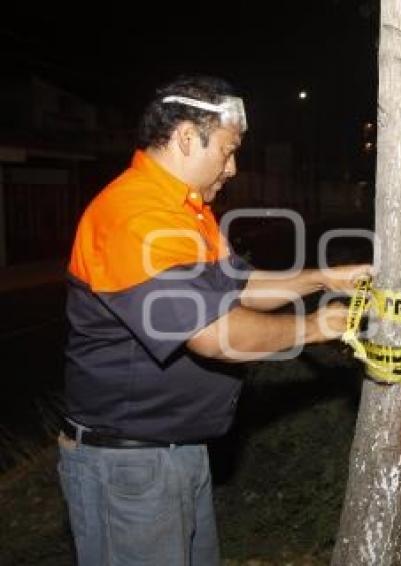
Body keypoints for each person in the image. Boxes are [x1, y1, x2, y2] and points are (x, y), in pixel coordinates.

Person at [57, 75, 370, 565]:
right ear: (186, 138)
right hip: (128, 465)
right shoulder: (132, 216)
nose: (233, 167)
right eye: (227, 151)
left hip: (174, 452)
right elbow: (215, 336)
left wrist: (326, 278)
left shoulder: (188, 213)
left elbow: (240, 286)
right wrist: (318, 326)